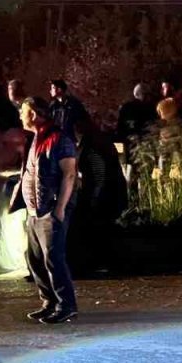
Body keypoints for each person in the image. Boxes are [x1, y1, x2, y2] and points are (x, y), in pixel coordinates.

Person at [11, 97, 79, 324]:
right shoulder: (34, 139)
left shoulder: (58, 139)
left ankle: (66, 304)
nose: (20, 114)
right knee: (35, 259)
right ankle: (49, 301)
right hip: (34, 211)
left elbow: (69, 174)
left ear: (34, 114)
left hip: (49, 209)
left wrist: (59, 209)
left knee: (53, 259)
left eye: (23, 110)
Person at [70, 117, 128, 275]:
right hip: (109, 193)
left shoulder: (91, 146)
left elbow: (99, 173)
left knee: (99, 229)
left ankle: (102, 262)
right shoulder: (100, 142)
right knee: (104, 230)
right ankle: (107, 262)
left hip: (103, 195)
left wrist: (95, 195)